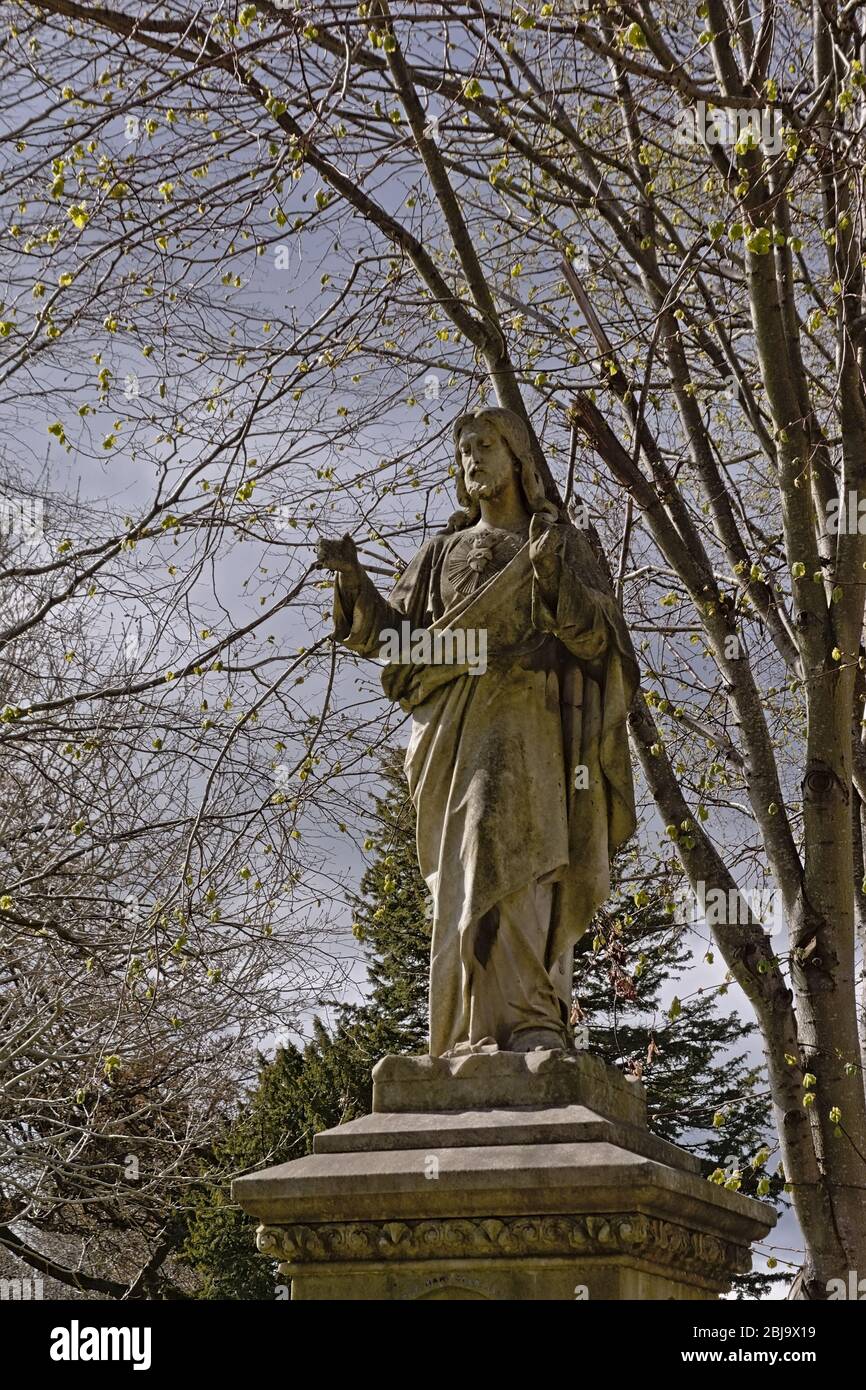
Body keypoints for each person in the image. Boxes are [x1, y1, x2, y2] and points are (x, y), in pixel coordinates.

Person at [316, 406, 637, 1056]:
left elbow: (602, 641)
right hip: (452, 727)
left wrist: (551, 578)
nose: (473, 458)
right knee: (467, 863)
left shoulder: (567, 545)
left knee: (519, 849)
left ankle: (532, 1020)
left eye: (486, 444)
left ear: (518, 456)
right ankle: (466, 1032)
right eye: (464, 448)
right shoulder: (441, 553)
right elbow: (394, 642)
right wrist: (353, 582)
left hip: (534, 719)